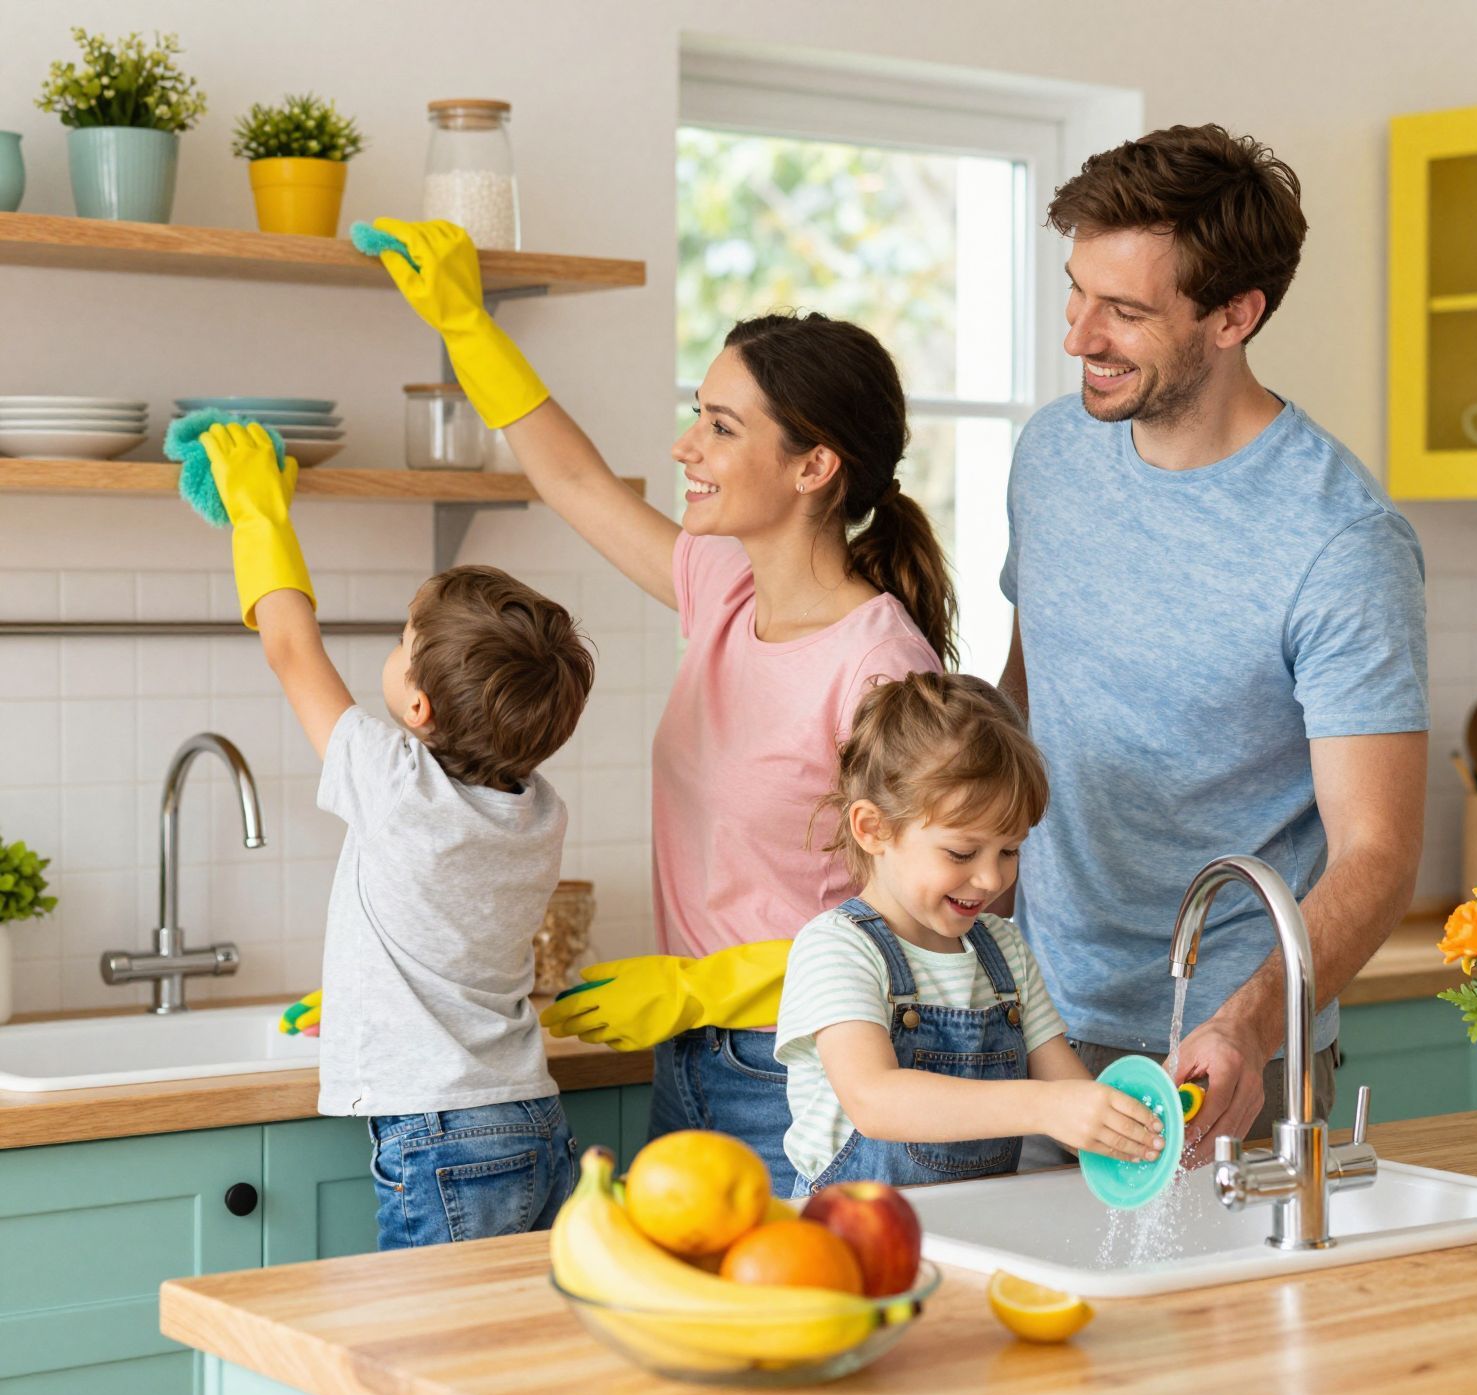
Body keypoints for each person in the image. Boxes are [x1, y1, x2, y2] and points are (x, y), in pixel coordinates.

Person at [367, 220, 953, 1195]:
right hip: (694, 1064)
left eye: (722, 427)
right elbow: (572, 478)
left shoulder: (883, 670)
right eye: (698, 413)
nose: (688, 444)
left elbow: (925, 925)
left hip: (811, 1075)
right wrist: (465, 323)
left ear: (814, 467)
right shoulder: (724, 590)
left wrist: (702, 983)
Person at [998, 126, 1430, 1161]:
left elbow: (1378, 852)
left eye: (1125, 312)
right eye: (1076, 292)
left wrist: (1243, 1022)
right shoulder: (1052, 456)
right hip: (1036, 1024)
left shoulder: (1339, 542)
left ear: (1235, 315)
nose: (1078, 339)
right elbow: (1021, 699)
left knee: (1220, 1326)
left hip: (1231, 1053)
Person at [202, 422, 594, 1249]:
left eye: (401, 643)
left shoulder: (397, 783)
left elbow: (289, 647)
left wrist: (258, 516)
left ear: (417, 709)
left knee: (429, 1353)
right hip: (529, 1117)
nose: (394, 648)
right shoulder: (539, 809)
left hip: (440, 1136)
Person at [775, 673, 1163, 1195]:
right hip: (853, 1242)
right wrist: (1045, 1108)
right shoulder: (837, 948)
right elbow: (875, 1101)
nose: (990, 879)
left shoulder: (1003, 950)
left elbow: (1068, 1092)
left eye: (1009, 851)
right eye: (962, 853)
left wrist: (1133, 1127)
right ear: (873, 829)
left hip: (981, 1233)